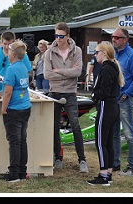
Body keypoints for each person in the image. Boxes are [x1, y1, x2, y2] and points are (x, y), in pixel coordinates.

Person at [0, 31, 32, 168]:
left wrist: (4, 108)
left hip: (11, 101)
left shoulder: (17, 62)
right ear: (1, 41)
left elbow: (11, 88)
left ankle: (14, 170)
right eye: (5, 44)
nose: (7, 47)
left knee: (15, 140)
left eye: (10, 45)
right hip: (2, 95)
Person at [44, 22, 88, 172]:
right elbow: (47, 74)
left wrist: (59, 70)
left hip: (70, 93)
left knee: (75, 124)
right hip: (54, 92)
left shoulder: (77, 51)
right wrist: (67, 72)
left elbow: (78, 72)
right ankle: (57, 158)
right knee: (54, 126)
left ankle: (82, 160)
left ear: (68, 36)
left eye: (61, 36)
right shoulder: (49, 52)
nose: (58, 39)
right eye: (56, 35)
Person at [87, 42, 124, 186]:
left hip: (105, 105)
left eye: (96, 52)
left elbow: (104, 91)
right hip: (112, 106)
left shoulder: (106, 68)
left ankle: (103, 175)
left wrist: (94, 95)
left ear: (104, 53)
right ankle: (107, 173)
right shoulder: (112, 67)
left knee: (101, 142)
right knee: (108, 142)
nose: (95, 55)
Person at [111, 27, 133, 177]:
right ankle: (115, 163)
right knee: (115, 133)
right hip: (114, 99)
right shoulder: (114, 55)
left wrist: (126, 94)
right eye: (113, 37)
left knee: (129, 133)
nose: (113, 40)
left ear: (125, 39)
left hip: (125, 99)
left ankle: (132, 167)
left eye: (117, 37)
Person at [0, 40, 32, 182]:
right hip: (25, 107)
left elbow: (7, 92)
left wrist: (3, 108)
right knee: (22, 140)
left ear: (12, 54)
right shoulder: (23, 67)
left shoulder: (11, 69)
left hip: (14, 109)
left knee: (14, 142)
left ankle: (13, 174)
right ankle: (22, 172)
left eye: (8, 51)